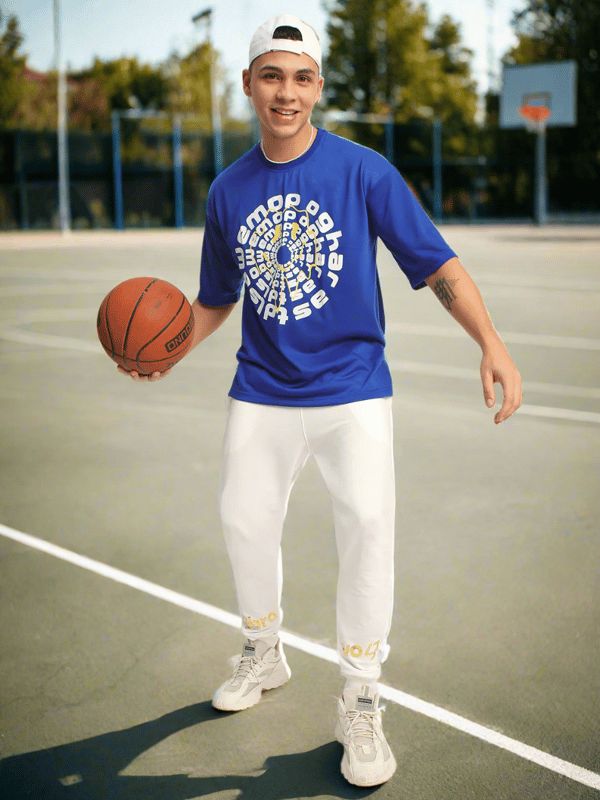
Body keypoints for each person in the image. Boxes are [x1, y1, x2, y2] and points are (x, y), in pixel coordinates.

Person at [119, 13, 522, 787]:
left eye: (301, 78)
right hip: (263, 387)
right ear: (248, 83)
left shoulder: (363, 171)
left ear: (318, 87)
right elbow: (214, 299)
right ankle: (264, 650)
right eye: (272, 76)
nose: (287, 93)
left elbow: (437, 265)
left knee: (367, 525)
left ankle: (361, 696)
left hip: (352, 387)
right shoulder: (228, 190)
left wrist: (491, 342)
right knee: (242, 519)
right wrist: (167, 351)